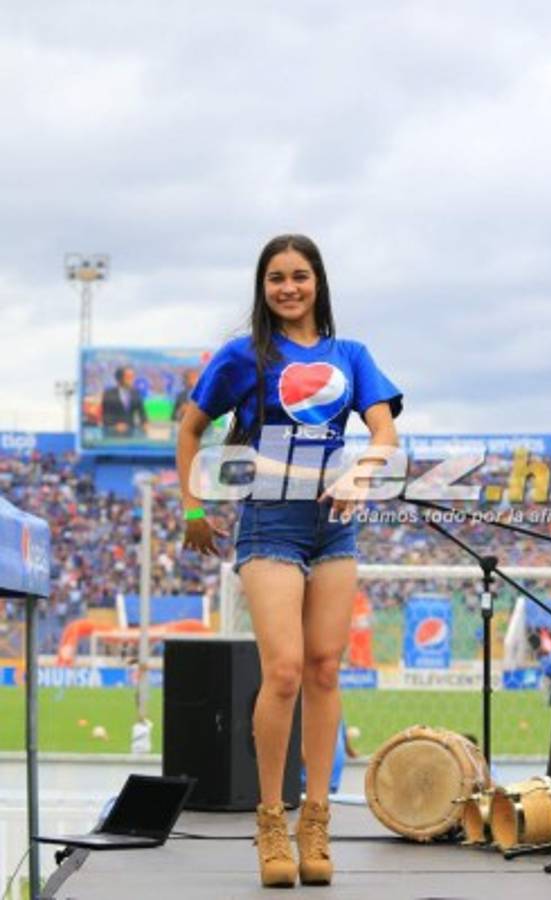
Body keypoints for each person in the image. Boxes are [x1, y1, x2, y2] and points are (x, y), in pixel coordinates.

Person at [177, 233, 402, 888]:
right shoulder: (243, 355)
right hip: (268, 521)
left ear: (317, 283)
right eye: (275, 278)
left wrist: (360, 473)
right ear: (263, 287)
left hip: (333, 526)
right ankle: (270, 820)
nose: (287, 288)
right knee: (281, 673)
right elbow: (191, 428)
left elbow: (383, 430)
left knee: (325, 669)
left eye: (299, 276)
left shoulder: (351, 354)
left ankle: (317, 820)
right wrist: (193, 508)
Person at [101, 366, 147, 437]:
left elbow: (142, 412)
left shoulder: (135, 393)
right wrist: (115, 424)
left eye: (132, 377)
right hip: (113, 434)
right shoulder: (109, 394)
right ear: (120, 379)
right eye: (128, 377)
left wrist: (144, 422)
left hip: (131, 433)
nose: (132, 380)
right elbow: (106, 416)